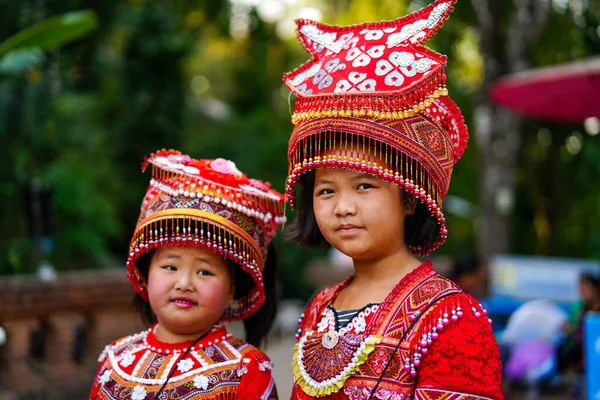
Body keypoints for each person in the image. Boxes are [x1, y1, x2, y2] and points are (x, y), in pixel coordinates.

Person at [282, 1, 503, 398]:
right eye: (326, 190)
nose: (342, 206)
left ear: (410, 198)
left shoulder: (451, 316)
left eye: (364, 186)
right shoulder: (319, 308)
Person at [89, 150, 285, 399]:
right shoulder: (116, 360)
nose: (184, 283)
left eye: (204, 272)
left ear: (232, 290)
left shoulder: (246, 370)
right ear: (147, 274)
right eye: (170, 267)